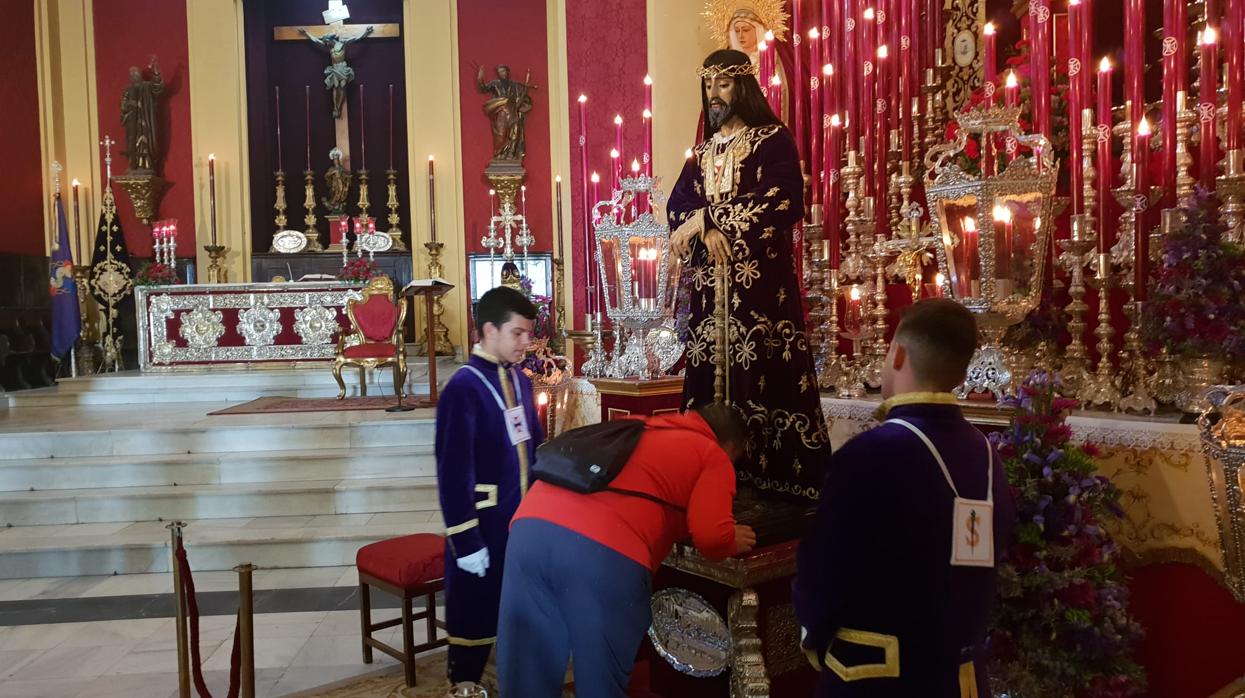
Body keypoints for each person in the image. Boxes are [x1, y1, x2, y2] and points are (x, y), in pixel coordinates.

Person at [792, 299, 1018, 697]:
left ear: (897, 353)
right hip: (960, 679)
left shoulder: (871, 453)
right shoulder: (986, 454)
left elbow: (825, 572)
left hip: (879, 680)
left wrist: (815, 633)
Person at [496, 404, 758, 697]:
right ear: (732, 446)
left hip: (528, 531)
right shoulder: (712, 454)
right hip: (600, 552)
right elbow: (712, 538)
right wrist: (733, 538)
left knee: (528, 672)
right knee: (600, 678)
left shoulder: (639, 426)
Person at [666, 49, 830, 500]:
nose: (714, 94)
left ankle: (773, 481)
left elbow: (782, 198)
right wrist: (701, 224)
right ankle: (705, 477)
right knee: (707, 384)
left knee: (762, 374)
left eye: (723, 84)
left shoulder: (772, 139)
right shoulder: (700, 153)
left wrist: (712, 221)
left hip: (759, 290)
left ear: (744, 87)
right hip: (709, 295)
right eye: (709, 85)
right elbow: (677, 207)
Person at [435, 286, 542, 693]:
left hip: (521, 522)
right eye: (518, 333)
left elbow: (533, 448)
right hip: (483, 526)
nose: (526, 343)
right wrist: (465, 540)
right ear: (489, 330)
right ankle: (465, 685)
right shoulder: (463, 387)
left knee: (518, 611)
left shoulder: (520, 380)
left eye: (528, 333)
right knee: (475, 615)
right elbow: (452, 471)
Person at [475, 64, 535, 161]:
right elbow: (483, 88)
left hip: (512, 111)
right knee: (501, 133)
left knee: (514, 130)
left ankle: (511, 152)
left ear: (507, 72)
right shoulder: (495, 83)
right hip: (501, 111)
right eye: (499, 72)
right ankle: (500, 153)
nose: (501, 74)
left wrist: (521, 101)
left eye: (503, 71)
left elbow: (522, 96)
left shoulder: (514, 84)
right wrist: (480, 77)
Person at [120, 59, 164, 173]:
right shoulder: (128, 90)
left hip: (146, 121)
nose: (134, 76)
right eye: (132, 74)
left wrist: (156, 71)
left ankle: (147, 163)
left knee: (146, 142)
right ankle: (133, 163)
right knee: (133, 142)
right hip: (133, 123)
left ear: (140, 75)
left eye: (136, 73)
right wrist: (129, 106)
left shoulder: (147, 87)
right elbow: (123, 107)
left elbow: (158, 88)